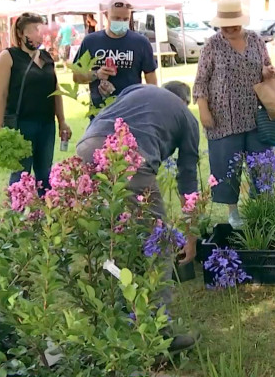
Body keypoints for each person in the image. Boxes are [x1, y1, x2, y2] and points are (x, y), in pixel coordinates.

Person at [75, 81, 199, 354]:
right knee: (161, 244)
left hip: (86, 147)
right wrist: (190, 237)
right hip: (129, 158)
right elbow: (188, 182)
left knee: (112, 238)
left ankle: (114, 316)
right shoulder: (186, 117)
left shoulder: (136, 90)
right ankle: (159, 336)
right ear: (185, 102)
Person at [193, 0, 275, 229]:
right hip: (223, 117)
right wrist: (203, 110)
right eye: (225, 26)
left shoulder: (256, 40)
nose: (229, 30)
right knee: (227, 166)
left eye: (234, 26)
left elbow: (266, 68)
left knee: (262, 164)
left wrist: (267, 71)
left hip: (257, 115)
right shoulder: (212, 45)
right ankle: (233, 212)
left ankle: (262, 209)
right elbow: (201, 81)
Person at [0, 12, 72, 195]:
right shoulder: (9, 56)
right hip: (21, 125)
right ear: (21, 33)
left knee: (45, 175)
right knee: (21, 175)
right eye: (35, 29)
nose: (40, 34)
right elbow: (1, 94)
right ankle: (17, 217)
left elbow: (56, 91)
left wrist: (62, 121)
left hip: (46, 124)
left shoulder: (46, 57)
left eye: (42, 29)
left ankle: (43, 217)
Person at [72, 0, 157, 113]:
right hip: (100, 112)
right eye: (116, 18)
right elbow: (77, 76)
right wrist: (97, 74)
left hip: (131, 109)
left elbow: (151, 79)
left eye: (125, 19)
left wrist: (152, 105)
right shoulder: (91, 41)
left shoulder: (141, 43)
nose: (121, 22)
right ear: (106, 15)